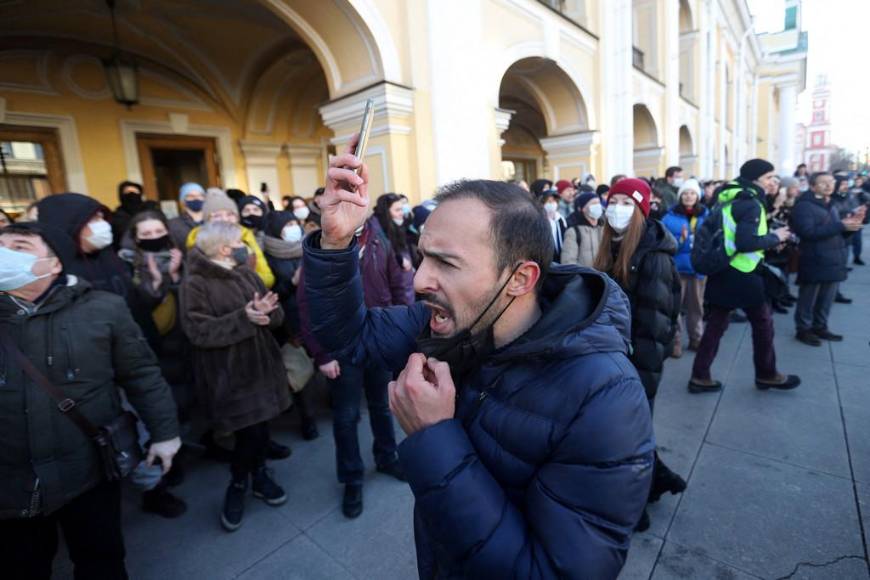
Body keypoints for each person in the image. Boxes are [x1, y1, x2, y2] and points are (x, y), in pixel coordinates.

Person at [303, 141, 654, 577]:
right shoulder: (436, 323)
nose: (421, 280)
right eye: (423, 255)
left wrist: (434, 437)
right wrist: (335, 243)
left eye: (446, 263)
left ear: (520, 279)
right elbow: (345, 336)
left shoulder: (606, 399)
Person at [0, 222, 181, 579]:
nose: (3, 254)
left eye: (17, 246)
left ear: (54, 264)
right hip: (11, 484)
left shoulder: (103, 309)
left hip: (89, 471)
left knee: (101, 560)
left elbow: (141, 374)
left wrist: (164, 433)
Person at [180, 221, 290, 532]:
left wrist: (267, 313)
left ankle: (259, 475)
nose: (246, 245)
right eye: (240, 241)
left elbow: (274, 315)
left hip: (262, 368)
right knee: (249, 435)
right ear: (224, 248)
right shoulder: (195, 282)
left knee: (261, 429)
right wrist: (244, 318)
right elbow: (198, 331)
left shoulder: (244, 271)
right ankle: (239, 483)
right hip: (230, 374)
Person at [312, 193, 414, 520]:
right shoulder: (323, 246)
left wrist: (402, 329)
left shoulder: (378, 238)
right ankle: (352, 478)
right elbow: (308, 302)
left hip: (378, 337)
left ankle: (387, 457)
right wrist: (322, 353)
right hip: (342, 348)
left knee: (382, 406)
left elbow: (399, 285)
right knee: (346, 417)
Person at [593, 177, 685, 531]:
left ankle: (636, 506)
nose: (616, 209)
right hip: (614, 358)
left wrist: (641, 377)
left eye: (626, 203)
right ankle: (653, 484)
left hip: (637, 363)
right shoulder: (611, 246)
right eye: (613, 201)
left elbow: (656, 322)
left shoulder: (653, 255)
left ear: (642, 209)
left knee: (629, 436)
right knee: (625, 433)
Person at [689, 159, 801, 393]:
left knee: (716, 325)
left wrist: (767, 238)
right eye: (770, 177)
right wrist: (776, 237)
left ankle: (700, 375)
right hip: (742, 273)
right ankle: (766, 374)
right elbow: (745, 241)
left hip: (725, 269)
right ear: (757, 178)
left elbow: (737, 235)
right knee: (763, 324)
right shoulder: (750, 202)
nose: (774, 182)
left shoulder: (731, 196)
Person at [118, 210, 190, 518]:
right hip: (147, 348)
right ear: (134, 238)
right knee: (152, 414)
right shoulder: (124, 264)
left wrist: (174, 276)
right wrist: (158, 281)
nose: (152, 238)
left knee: (180, 403)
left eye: (157, 231)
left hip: (179, 341)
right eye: (144, 235)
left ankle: (176, 454)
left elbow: (187, 295)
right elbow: (136, 307)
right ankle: (156, 481)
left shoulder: (176, 256)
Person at [36, 192, 159, 346]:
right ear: (70, 224)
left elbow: (137, 307)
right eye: (94, 219)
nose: (104, 224)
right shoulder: (55, 274)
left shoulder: (113, 259)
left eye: (102, 218)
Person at [262, 210, 319, 441]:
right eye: (287, 224)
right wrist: (291, 283)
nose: (293, 227)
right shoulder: (267, 256)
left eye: (295, 223)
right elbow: (269, 293)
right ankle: (308, 419)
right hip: (288, 321)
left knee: (319, 366)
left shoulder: (307, 248)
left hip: (314, 317)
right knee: (298, 372)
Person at [790, 172, 864, 346]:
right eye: (823, 183)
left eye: (831, 182)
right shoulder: (804, 206)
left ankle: (820, 327)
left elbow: (837, 232)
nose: (829, 185)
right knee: (808, 298)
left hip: (834, 258)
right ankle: (803, 330)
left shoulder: (831, 203)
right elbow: (807, 232)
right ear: (812, 186)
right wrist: (840, 225)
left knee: (827, 298)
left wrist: (852, 225)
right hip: (814, 258)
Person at [185, 189, 275, 289]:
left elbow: (266, 277)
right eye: (217, 215)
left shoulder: (245, 234)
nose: (225, 219)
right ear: (207, 220)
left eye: (230, 214)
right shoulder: (198, 240)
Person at [662, 179, 709, 356]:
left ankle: (697, 338)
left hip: (698, 269)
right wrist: (681, 240)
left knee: (697, 307)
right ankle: (675, 342)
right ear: (680, 196)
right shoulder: (669, 217)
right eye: (685, 193)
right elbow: (666, 244)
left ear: (697, 196)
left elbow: (711, 240)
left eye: (692, 193)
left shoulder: (706, 215)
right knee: (675, 307)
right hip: (677, 269)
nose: (689, 196)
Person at [561, 191, 604, 268]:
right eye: (593, 204)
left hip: (604, 277)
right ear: (582, 208)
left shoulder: (603, 228)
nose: (598, 206)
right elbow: (568, 262)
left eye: (598, 203)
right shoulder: (574, 231)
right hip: (585, 277)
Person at [111, 181, 156, 251]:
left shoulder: (151, 210)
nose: (132, 195)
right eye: (128, 192)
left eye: (135, 192)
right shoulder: (116, 217)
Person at [168, 182, 206, 250]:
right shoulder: (173, 224)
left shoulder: (213, 220)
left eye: (200, 195)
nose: (196, 198)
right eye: (191, 196)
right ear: (183, 201)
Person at [541, 189, 567, 263]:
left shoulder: (561, 219)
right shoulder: (540, 221)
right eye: (549, 201)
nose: (552, 204)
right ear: (542, 203)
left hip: (562, 259)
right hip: (549, 260)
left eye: (554, 201)